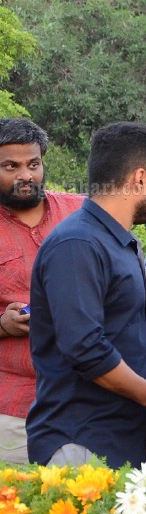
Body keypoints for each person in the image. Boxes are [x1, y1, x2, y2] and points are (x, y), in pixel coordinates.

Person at [27, 121, 146, 469]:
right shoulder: (77, 244)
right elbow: (85, 348)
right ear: (139, 178)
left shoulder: (120, 243)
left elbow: (123, 344)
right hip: (80, 442)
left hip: (119, 442)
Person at [0, 119, 84, 464]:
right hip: (13, 408)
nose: (26, 176)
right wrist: (2, 324)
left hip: (87, 404)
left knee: (89, 506)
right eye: (11, 166)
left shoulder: (80, 212)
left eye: (33, 164)